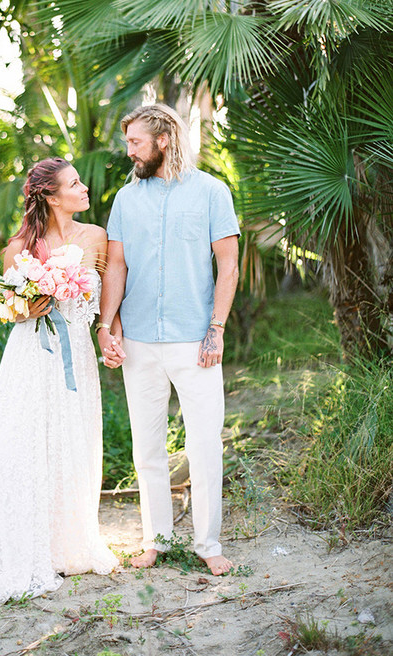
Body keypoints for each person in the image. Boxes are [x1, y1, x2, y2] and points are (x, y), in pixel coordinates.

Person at [0, 157, 118, 605]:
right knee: (27, 443)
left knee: (73, 440)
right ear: (51, 196)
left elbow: (107, 293)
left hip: (77, 356)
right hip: (32, 356)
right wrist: (23, 307)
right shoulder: (19, 247)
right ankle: (22, 547)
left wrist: (109, 333)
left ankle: (68, 544)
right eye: (74, 184)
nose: (84, 188)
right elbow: (2, 307)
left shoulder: (96, 237)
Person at [97, 104, 240, 575]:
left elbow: (228, 266)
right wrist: (106, 325)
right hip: (138, 341)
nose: (129, 151)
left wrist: (216, 329)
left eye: (136, 142)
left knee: (204, 445)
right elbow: (116, 267)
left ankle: (208, 544)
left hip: (195, 341)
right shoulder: (125, 200)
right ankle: (155, 540)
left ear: (163, 140)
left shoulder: (212, 192)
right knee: (147, 449)